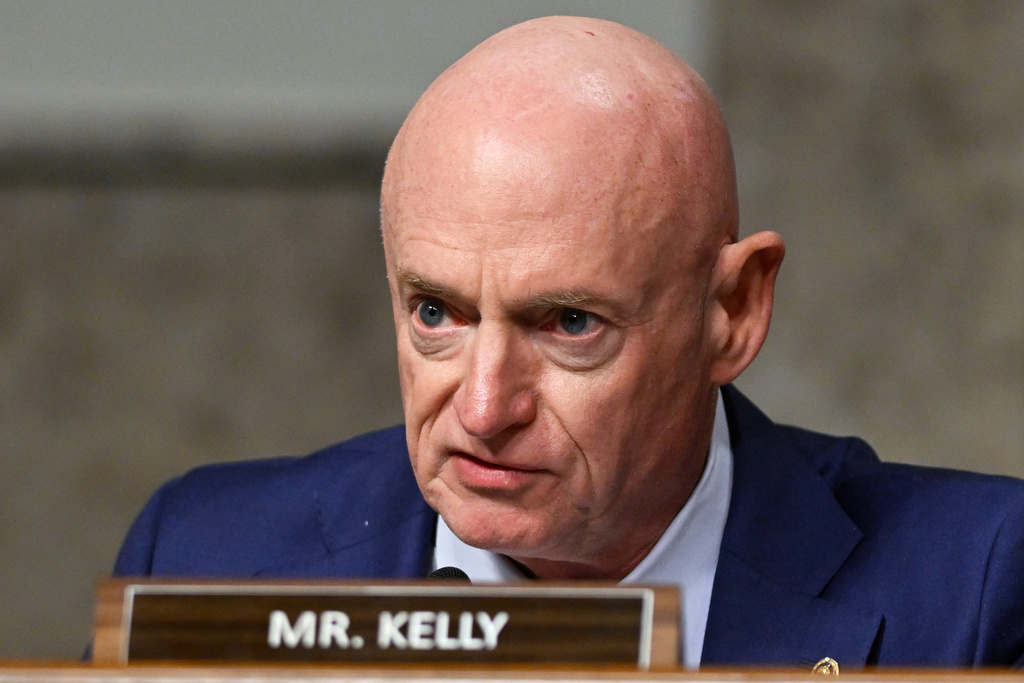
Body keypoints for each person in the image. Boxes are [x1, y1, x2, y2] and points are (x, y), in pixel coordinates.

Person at [111, 16, 1024, 669]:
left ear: (733, 312)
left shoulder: (973, 589)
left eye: (569, 324)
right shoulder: (201, 550)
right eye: (437, 313)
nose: (482, 409)